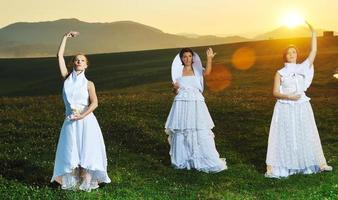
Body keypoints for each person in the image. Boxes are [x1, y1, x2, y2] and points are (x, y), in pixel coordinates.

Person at [265, 22, 332, 178]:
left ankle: (315, 162)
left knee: (305, 132)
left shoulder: (303, 68)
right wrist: (289, 96)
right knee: (286, 134)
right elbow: (275, 92)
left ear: (297, 54)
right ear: (285, 56)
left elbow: (314, 50)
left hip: (302, 106)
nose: (291, 55)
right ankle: (283, 163)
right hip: (285, 106)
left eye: (294, 52)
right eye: (288, 53)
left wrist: (313, 32)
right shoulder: (280, 72)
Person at [51, 31, 111, 191]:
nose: (79, 61)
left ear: (86, 65)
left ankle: (89, 180)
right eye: (76, 60)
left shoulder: (89, 84)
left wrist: (83, 115)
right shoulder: (66, 78)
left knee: (86, 150)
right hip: (70, 120)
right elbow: (59, 56)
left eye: (82, 60)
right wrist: (65, 37)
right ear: (73, 63)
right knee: (70, 148)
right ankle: (67, 179)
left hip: (86, 121)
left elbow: (95, 103)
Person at [165, 47, 227, 173]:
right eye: (185, 57)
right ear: (181, 59)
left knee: (199, 128)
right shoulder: (178, 71)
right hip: (182, 103)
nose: (187, 59)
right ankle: (183, 158)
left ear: (193, 58)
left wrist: (209, 58)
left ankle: (201, 157)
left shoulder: (197, 69)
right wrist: (175, 88)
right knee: (182, 130)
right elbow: (175, 91)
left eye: (189, 56)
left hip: (196, 102)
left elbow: (208, 73)